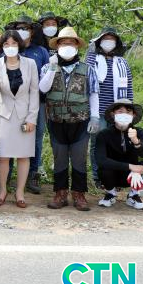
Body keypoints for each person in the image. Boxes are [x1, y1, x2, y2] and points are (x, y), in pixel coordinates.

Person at [39, 27, 99, 211]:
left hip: (80, 121)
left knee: (79, 158)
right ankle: (60, 193)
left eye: (71, 43)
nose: (67, 46)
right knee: (60, 158)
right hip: (56, 121)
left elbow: (93, 94)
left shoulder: (87, 69)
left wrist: (95, 117)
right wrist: (52, 67)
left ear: (77, 46)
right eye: (63, 43)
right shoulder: (47, 67)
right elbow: (43, 88)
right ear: (57, 47)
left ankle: (79, 194)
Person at [0, 30, 40, 208]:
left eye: (14, 43)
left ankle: (20, 192)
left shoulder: (30, 64)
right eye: (6, 44)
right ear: (1, 47)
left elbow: (34, 92)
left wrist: (32, 118)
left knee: (23, 156)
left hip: (24, 114)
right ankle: (2, 190)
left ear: (20, 45)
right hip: (4, 114)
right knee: (3, 156)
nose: (10, 47)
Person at [4, 15, 49, 195]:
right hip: (12, 101)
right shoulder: (9, 50)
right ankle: (6, 175)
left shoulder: (41, 52)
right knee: (10, 135)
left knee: (35, 138)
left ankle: (32, 174)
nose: (22, 31)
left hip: (37, 101)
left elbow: (47, 76)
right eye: (19, 28)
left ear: (32, 31)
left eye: (26, 28)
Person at [86, 26, 134, 187]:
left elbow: (129, 88)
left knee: (117, 143)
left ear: (117, 43)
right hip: (98, 111)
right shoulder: (92, 59)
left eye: (112, 39)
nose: (109, 42)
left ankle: (115, 177)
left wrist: (129, 111)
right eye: (105, 39)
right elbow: (86, 82)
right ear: (99, 41)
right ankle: (98, 177)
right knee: (97, 143)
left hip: (117, 111)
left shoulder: (122, 63)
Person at [95, 99, 143, 211]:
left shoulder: (140, 132)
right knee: (103, 168)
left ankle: (134, 195)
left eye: (128, 112)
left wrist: (136, 141)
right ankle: (110, 193)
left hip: (131, 176)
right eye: (120, 111)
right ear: (113, 114)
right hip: (112, 174)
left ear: (133, 115)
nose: (124, 114)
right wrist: (130, 166)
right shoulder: (103, 134)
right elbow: (101, 160)